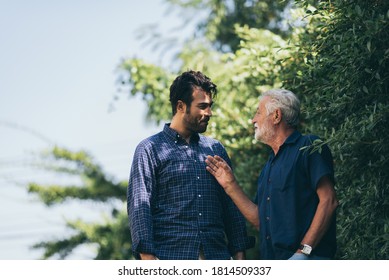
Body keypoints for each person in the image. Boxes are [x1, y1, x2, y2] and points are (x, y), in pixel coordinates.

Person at [127, 70, 254, 260]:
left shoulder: (215, 149)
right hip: (170, 258)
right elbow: (140, 207)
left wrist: (239, 258)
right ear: (180, 106)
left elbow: (231, 207)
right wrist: (148, 259)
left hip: (217, 258)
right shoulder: (149, 149)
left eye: (210, 106)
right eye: (202, 106)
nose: (209, 113)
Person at [205, 89, 338, 260]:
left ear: (276, 116)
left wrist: (303, 252)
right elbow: (261, 221)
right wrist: (230, 185)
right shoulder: (268, 167)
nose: (253, 119)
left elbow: (329, 200)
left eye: (258, 112)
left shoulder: (309, 146)